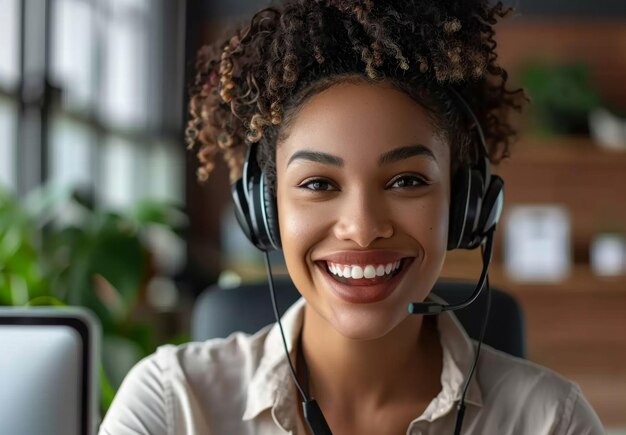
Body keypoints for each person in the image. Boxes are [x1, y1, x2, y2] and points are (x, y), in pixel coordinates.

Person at [99, 1, 604, 434]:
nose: (362, 228)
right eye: (318, 184)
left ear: (466, 203)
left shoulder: (550, 421)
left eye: (406, 181)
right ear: (265, 207)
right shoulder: (171, 407)